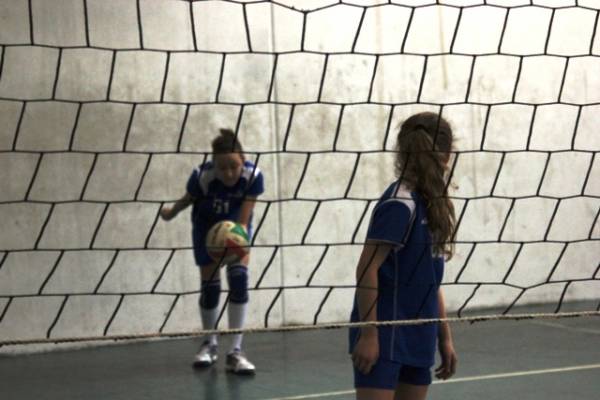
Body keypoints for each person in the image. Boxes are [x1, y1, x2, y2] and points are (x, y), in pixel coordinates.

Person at [349, 112, 458, 399]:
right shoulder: (401, 203)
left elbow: (432, 282)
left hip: (421, 332)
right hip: (385, 331)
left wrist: (444, 337)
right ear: (447, 156)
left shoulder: (434, 205)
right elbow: (367, 269)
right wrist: (370, 334)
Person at [160, 128, 264, 375]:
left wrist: (236, 235)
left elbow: (244, 219)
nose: (228, 173)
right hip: (207, 230)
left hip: (235, 227)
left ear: (243, 160)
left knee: (239, 279)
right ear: (213, 164)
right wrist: (171, 212)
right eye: (222, 167)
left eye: (234, 166)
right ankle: (209, 344)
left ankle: (235, 351)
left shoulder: (253, 176)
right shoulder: (202, 177)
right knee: (210, 289)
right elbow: (187, 199)